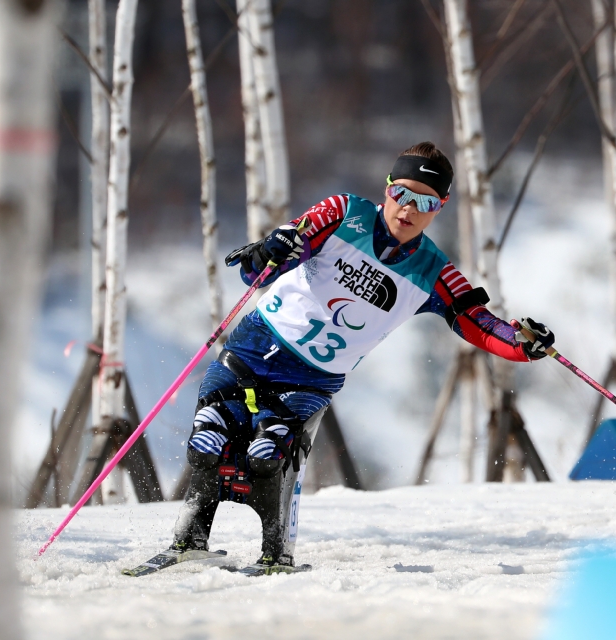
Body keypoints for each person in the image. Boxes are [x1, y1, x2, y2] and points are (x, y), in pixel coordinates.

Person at [169, 141, 554, 575]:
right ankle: (191, 534)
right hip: (253, 346)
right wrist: (268, 251)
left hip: (311, 379)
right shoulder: (343, 212)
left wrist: (522, 345)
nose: (407, 209)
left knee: (268, 454)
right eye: (401, 194)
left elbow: (478, 322)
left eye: (424, 202)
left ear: (440, 206)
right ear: (387, 188)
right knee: (211, 430)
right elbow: (269, 260)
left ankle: (273, 549)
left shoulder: (434, 271)